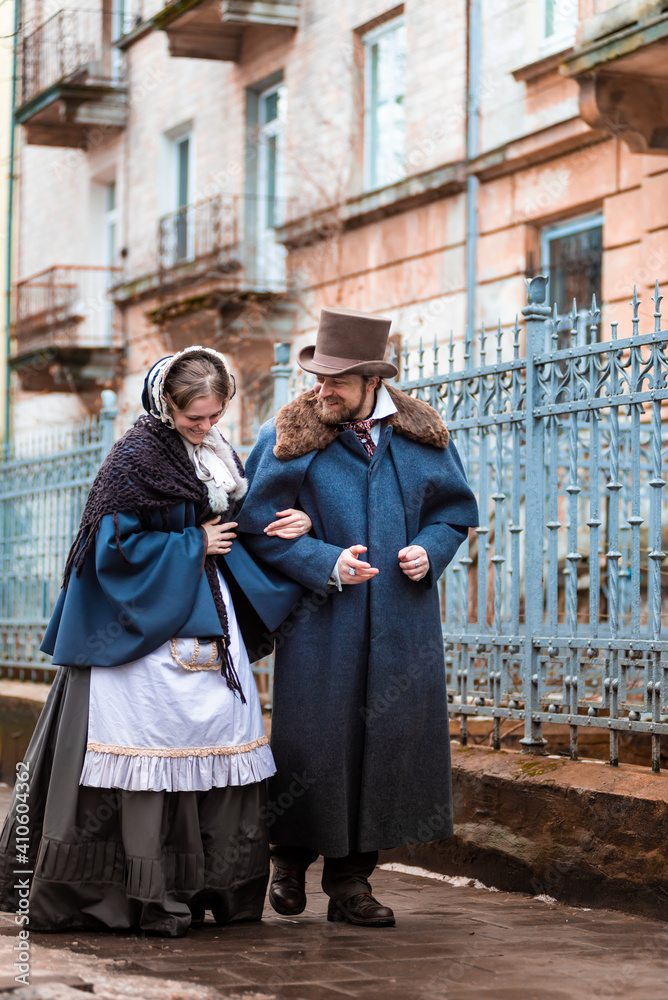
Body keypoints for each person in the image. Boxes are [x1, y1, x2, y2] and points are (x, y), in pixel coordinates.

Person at [0, 346, 310, 936]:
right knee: (142, 755)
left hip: (209, 625)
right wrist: (194, 545)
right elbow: (109, 552)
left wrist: (290, 523)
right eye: (195, 417)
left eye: (215, 415)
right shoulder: (132, 461)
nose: (207, 426)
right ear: (164, 405)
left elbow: (233, 524)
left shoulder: (217, 455)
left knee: (214, 748)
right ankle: (131, 895)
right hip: (138, 639)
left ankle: (209, 889)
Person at [237, 307, 479, 927]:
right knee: (313, 744)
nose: (322, 390)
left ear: (373, 381)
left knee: (383, 748)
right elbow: (255, 526)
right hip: (320, 623)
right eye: (317, 377)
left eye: (336, 381)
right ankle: (288, 859)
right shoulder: (287, 435)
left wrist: (432, 548)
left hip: (402, 622)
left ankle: (350, 886)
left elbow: (454, 514)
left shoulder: (425, 437)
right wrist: (324, 559)